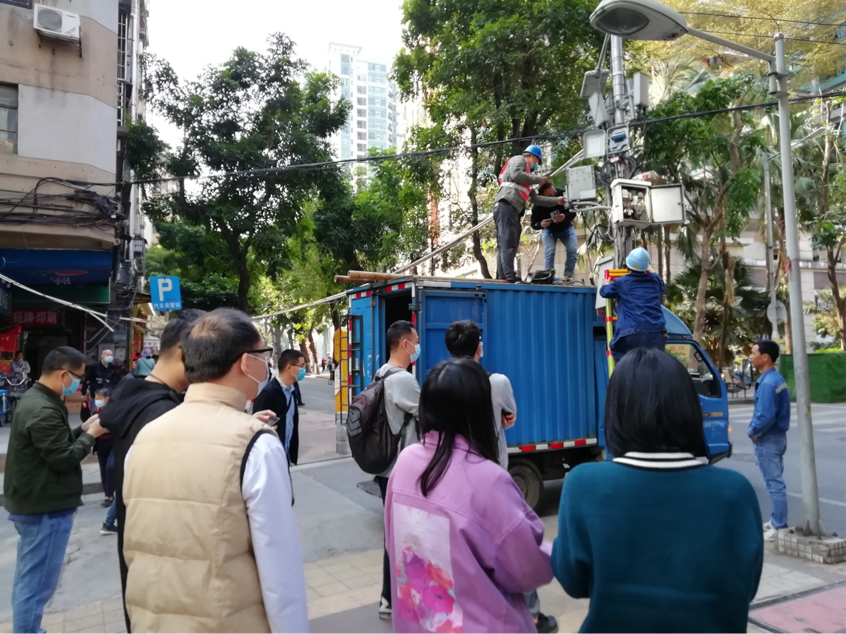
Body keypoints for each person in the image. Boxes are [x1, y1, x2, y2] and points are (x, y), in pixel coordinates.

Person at [122, 309, 308, 634]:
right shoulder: (256, 445)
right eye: (264, 354)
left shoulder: (146, 436)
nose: (267, 363)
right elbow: (281, 573)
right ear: (246, 362)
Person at [552, 348, 763, 633]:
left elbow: (573, 581)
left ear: (616, 411)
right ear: (689, 408)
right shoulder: (735, 492)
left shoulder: (583, 485)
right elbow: (746, 588)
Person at [386, 359, 553, 633]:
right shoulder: (488, 479)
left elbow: (393, 543)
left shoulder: (405, 463)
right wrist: (560, 551)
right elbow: (529, 569)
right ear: (480, 412)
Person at [443, 321, 557, 634]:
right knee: (514, 544)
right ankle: (532, 616)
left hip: (452, 479)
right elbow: (509, 417)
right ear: (478, 348)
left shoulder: (440, 384)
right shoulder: (496, 382)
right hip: (492, 477)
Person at [99, 309, 205, 632]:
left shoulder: (132, 390)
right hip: (163, 565)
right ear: (185, 353)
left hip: (140, 561)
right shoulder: (162, 414)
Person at [4, 346, 107, 634]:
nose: (79, 385)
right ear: (63, 374)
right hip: (45, 507)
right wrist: (91, 435)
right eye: (78, 378)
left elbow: (53, 444)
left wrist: (81, 429)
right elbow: (63, 458)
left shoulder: (38, 399)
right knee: (36, 585)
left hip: (36, 503)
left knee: (29, 580)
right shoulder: (43, 408)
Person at [375, 320, 422, 620]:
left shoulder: (381, 372)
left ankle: (389, 597)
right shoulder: (403, 380)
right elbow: (430, 414)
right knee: (405, 536)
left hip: (386, 468)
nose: (418, 347)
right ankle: (394, 598)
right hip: (402, 470)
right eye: (415, 341)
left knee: (395, 533)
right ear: (405, 344)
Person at [748, 340, 791, 541]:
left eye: (753, 352)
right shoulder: (776, 378)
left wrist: (753, 431)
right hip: (778, 437)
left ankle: (779, 526)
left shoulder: (767, 383)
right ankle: (775, 521)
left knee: (774, 484)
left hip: (769, 438)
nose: (750, 356)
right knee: (776, 482)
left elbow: (765, 415)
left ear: (765, 357)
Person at [494, 145, 552, 283]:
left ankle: (503, 277)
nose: (535, 165)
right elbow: (516, 174)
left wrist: (557, 201)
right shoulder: (519, 159)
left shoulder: (526, 179)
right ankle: (508, 276)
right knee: (507, 242)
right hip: (506, 204)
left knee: (509, 243)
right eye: (536, 161)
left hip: (511, 208)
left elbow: (536, 199)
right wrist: (538, 179)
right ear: (532, 156)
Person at [599, 247, 666, 362]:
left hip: (632, 333)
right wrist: (652, 270)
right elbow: (662, 285)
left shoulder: (621, 281)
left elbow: (605, 292)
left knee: (618, 350)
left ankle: (625, 373)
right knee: (654, 364)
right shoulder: (655, 279)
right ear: (646, 267)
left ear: (627, 266)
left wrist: (605, 284)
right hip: (657, 332)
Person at [253, 349, 306, 465]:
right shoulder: (269, 393)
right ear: (289, 368)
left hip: (285, 455)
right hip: (270, 459)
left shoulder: (292, 390)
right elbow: (257, 429)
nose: (304, 370)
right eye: (301, 366)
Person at [530, 183, 578, 282]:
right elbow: (534, 224)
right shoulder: (537, 205)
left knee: (572, 249)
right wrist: (541, 224)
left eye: (554, 193)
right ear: (543, 197)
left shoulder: (563, 194)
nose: (554, 197)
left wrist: (565, 217)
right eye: (550, 196)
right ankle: (548, 276)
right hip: (549, 230)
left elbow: (573, 211)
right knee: (550, 251)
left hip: (566, 228)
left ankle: (568, 276)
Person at [81, 349, 120, 422]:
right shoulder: (94, 367)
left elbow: (117, 380)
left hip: (109, 394)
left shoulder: (113, 367)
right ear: (102, 355)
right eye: (107, 355)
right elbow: (87, 379)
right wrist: (83, 393)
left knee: (109, 414)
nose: (109, 356)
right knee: (96, 413)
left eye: (111, 355)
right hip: (96, 394)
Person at [91, 387, 115, 508]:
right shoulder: (95, 410)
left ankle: (112, 493)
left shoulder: (114, 410)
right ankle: (108, 495)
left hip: (113, 442)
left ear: (107, 399)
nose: (97, 400)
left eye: (100, 398)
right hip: (100, 442)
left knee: (110, 467)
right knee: (103, 468)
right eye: (96, 398)